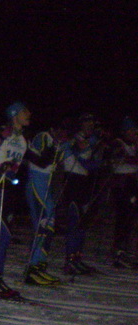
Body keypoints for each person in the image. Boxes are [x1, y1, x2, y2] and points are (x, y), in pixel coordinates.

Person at [0, 102, 31, 299]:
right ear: (14, 115)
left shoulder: (22, 139)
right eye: (25, 112)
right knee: (2, 233)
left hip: (9, 187)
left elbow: (16, 166)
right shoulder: (2, 133)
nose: (29, 114)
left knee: (6, 234)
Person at [60, 112, 103, 275]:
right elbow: (83, 159)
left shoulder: (91, 139)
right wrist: (95, 159)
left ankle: (77, 258)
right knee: (74, 222)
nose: (90, 126)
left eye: (92, 123)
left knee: (82, 223)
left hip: (85, 183)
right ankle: (69, 261)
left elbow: (92, 162)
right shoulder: (76, 139)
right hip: (73, 182)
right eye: (87, 123)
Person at [23, 122, 66, 285]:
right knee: (42, 225)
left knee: (49, 225)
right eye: (61, 129)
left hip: (46, 185)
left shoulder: (57, 142)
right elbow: (40, 161)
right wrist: (53, 150)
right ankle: (32, 268)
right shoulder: (43, 137)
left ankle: (40, 265)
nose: (63, 133)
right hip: (36, 183)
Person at [111, 116, 138, 268]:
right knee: (124, 217)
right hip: (121, 183)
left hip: (131, 182)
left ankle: (123, 250)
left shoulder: (132, 144)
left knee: (130, 217)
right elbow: (125, 158)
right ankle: (118, 252)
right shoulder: (118, 142)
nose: (134, 134)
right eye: (132, 131)